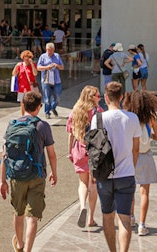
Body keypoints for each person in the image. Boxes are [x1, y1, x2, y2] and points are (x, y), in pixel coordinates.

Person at [0, 89, 57, 252]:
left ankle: (19, 244)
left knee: (18, 212)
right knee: (33, 216)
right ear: (39, 107)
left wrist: (2, 181)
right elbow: (51, 154)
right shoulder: (43, 126)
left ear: (23, 105)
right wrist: (54, 172)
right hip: (37, 175)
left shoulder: (12, 124)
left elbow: (4, 154)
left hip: (16, 175)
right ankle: (28, 250)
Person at [90, 81, 140, 252]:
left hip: (104, 176)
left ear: (105, 97)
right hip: (126, 174)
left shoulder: (97, 119)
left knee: (107, 216)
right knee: (125, 217)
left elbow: (93, 149)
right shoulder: (132, 118)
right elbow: (136, 149)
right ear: (121, 97)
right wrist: (130, 167)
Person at [123, 89, 157, 236]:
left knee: (130, 190)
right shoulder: (150, 118)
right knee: (144, 192)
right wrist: (150, 133)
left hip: (131, 157)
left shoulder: (129, 118)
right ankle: (142, 225)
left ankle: (131, 217)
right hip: (146, 157)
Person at [66, 85, 102, 230]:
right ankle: (91, 218)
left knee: (82, 183)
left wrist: (69, 152)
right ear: (91, 97)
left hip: (79, 150)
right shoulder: (98, 112)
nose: (99, 98)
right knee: (93, 184)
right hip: (94, 152)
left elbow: (70, 133)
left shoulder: (76, 111)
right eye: (97, 95)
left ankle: (82, 206)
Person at [37, 42, 64, 118]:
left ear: (53, 50)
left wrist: (57, 65)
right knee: (47, 98)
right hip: (46, 80)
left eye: (51, 50)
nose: (49, 52)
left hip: (56, 80)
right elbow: (38, 67)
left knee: (57, 96)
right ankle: (47, 112)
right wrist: (46, 67)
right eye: (48, 50)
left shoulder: (57, 56)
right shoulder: (43, 56)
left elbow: (62, 67)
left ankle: (53, 107)